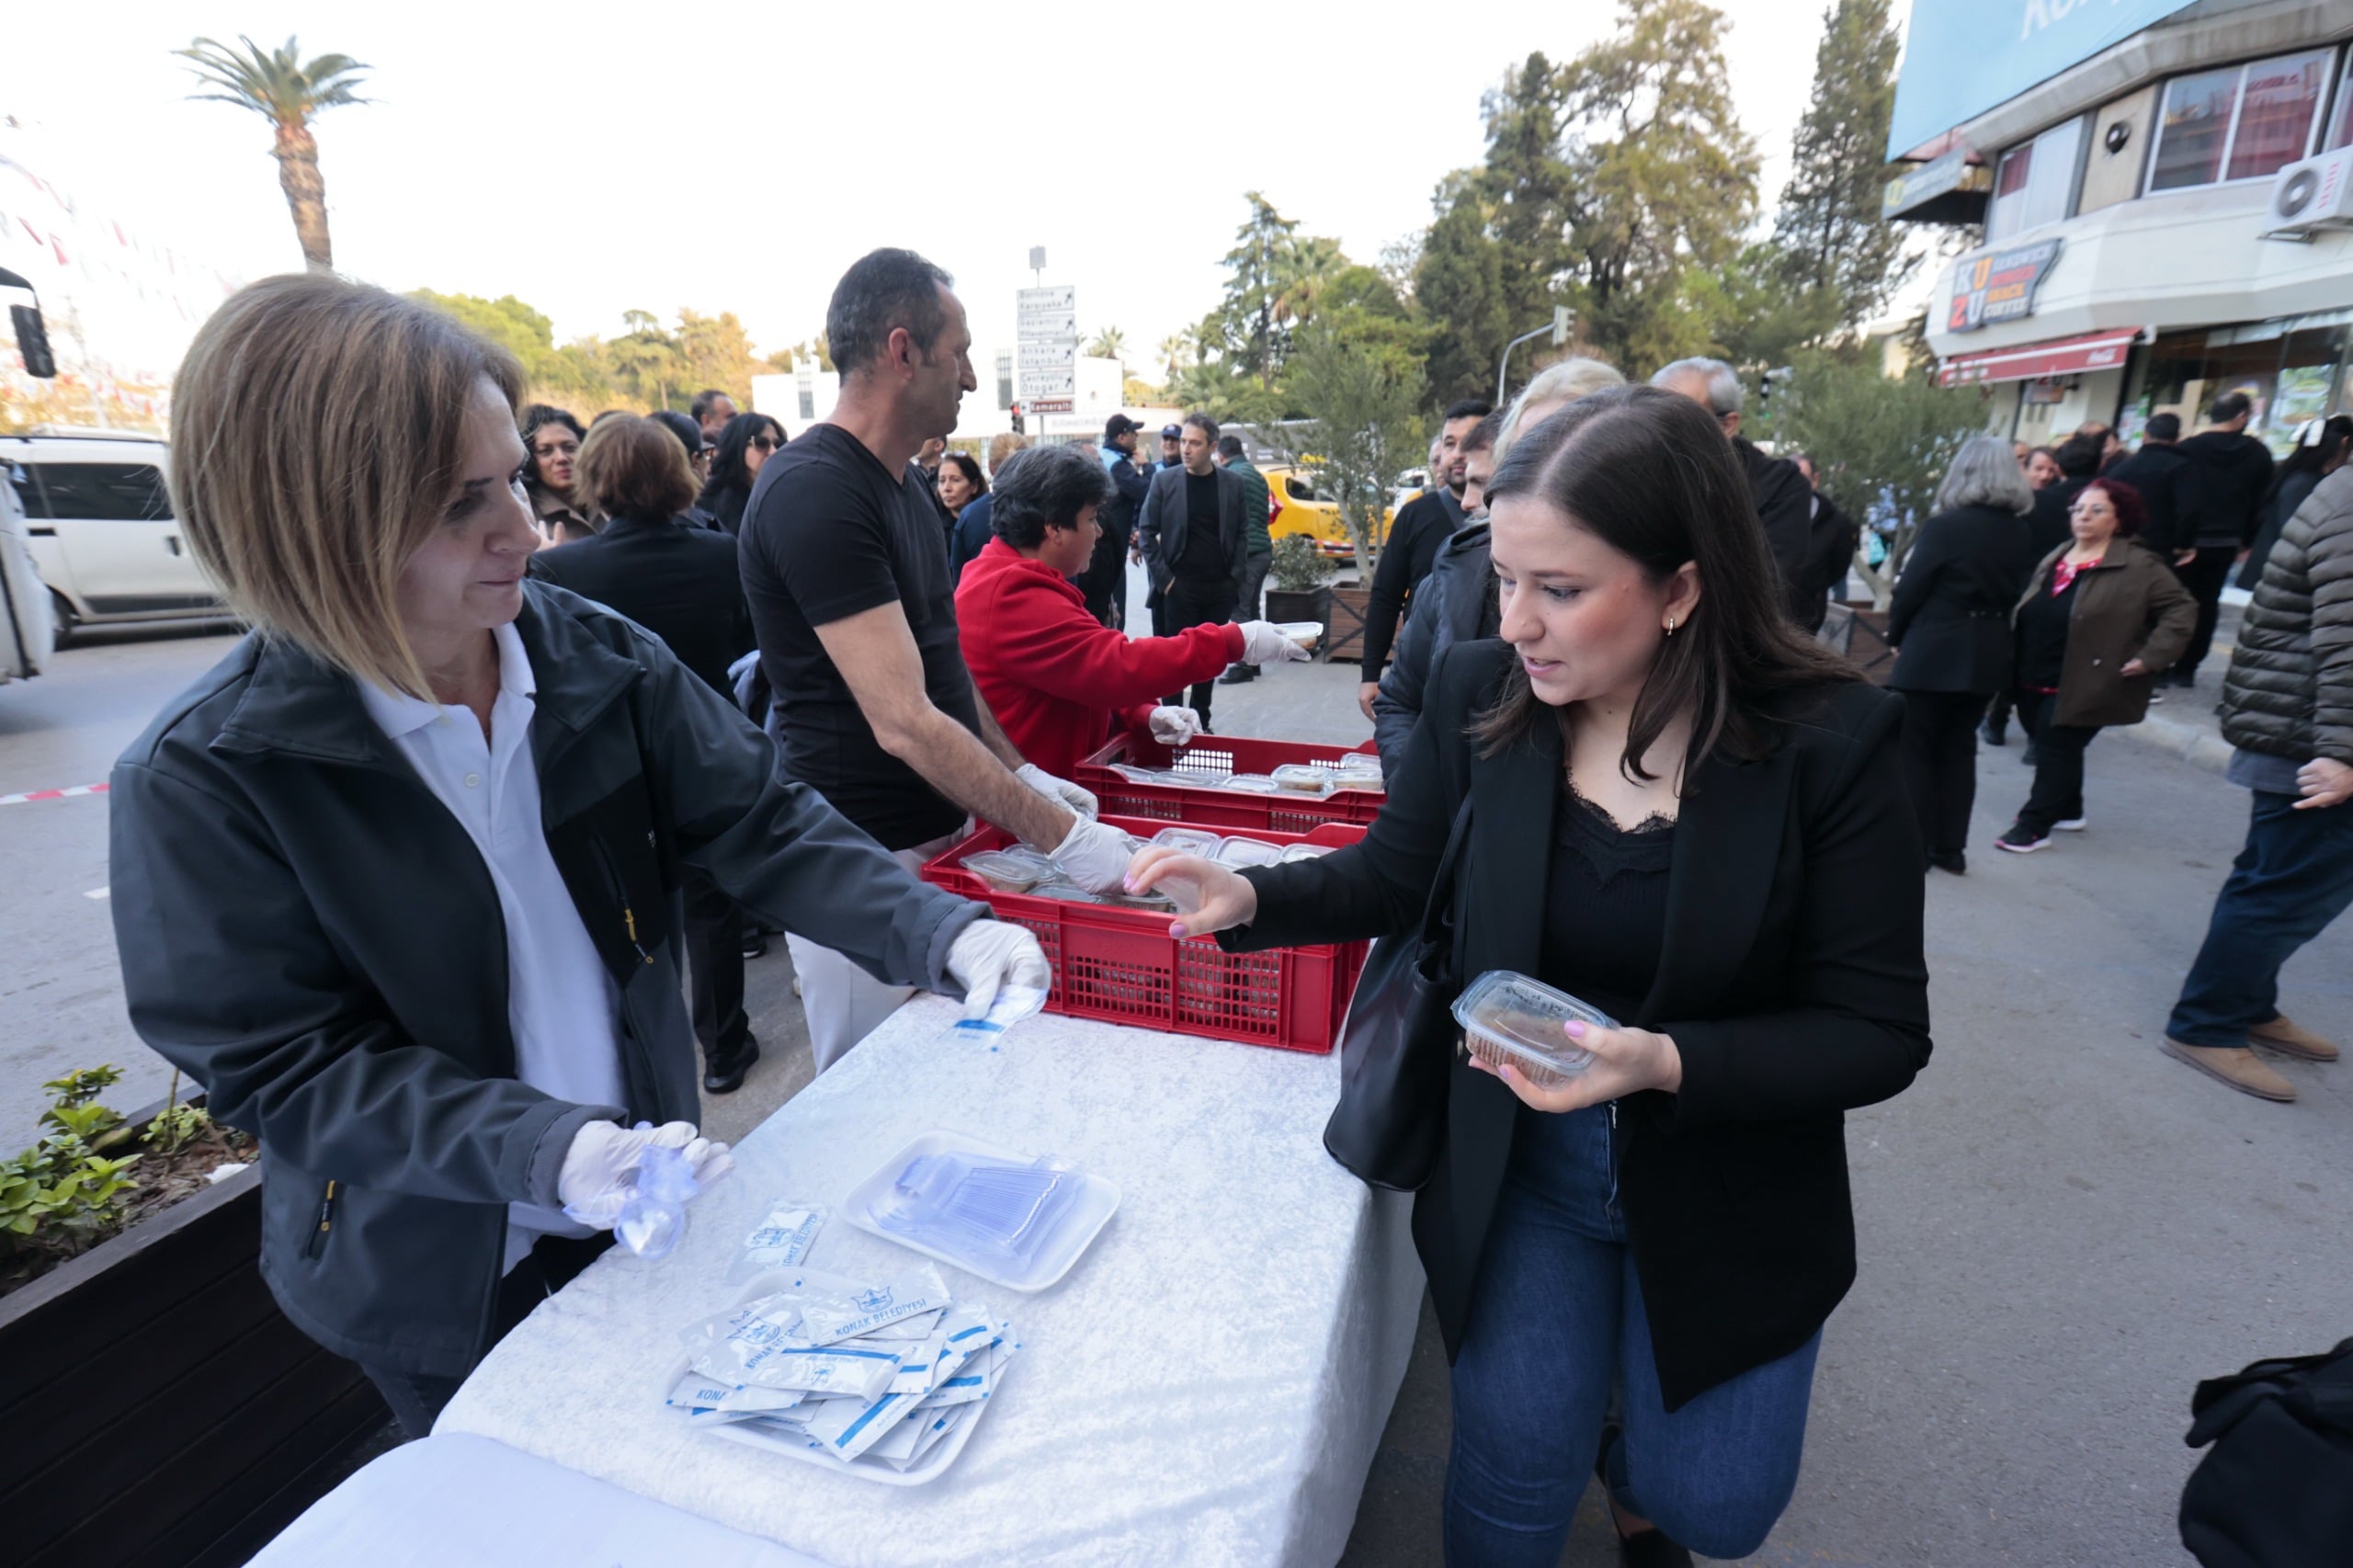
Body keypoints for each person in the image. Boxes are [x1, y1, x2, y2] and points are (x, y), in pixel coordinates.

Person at [109, 275, 1046, 1439]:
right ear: (315, 526)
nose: (523, 528)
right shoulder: (211, 772)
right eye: (462, 504)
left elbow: (760, 819)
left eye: (513, 476)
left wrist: (941, 928)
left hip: (639, 1196)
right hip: (434, 1262)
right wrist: (549, 1150)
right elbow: (288, 1067)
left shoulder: (593, 656)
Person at [1130, 383, 1929, 1567]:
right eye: (1506, 578)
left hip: (1728, 1175)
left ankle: (1638, 1463)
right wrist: (1252, 892)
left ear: (1682, 587)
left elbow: (1875, 1030)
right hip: (1523, 1167)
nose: (1517, 623)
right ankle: (1584, 1436)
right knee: (1509, 1474)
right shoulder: (1480, 692)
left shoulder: (1832, 741)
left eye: (1559, 589)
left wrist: (1657, 1061)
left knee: (1714, 1501)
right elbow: (1396, 876)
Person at [736, 248, 1130, 1070]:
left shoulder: (904, 487)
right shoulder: (815, 489)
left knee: (951, 1065)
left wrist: (1020, 774)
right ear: (902, 349)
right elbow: (904, 719)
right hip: (857, 855)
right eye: (961, 354)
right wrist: (1059, 837)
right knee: (873, 1081)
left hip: (933, 839)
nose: (974, 379)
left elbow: (940, 664)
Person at [529, 415, 762, 1092]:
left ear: (597, 477)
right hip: (708, 748)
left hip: (610, 767)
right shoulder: (725, 555)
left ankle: (641, 1067)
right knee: (712, 905)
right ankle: (723, 1049)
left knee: (631, 918)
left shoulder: (559, 569)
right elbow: (746, 648)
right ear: (678, 474)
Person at [2161, 461, 2353, 1103]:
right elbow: (2346, 636)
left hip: (2311, 731)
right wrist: (2340, 751)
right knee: (2283, 892)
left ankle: (2246, 1005)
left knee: (2279, 883)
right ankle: (2207, 1025)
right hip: (2314, 740)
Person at [957, 444, 1308, 775]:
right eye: (1091, 519)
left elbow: (1076, 672)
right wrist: (1232, 641)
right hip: (1032, 812)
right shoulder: (1010, 593)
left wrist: (1142, 713)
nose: (1098, 532)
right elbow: (1113, 664)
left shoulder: (1016, 576)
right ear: (1054, 528)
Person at [1372, 358, 1627, 767]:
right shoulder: (1456, 568)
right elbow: (1401, 702)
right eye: (1524, 456)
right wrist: (1424, 796)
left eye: (1562, 590)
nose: (1514, 627)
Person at [1995, 478, 2195, 854]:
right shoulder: (2059, 555)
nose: (2084, 516)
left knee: (2056, 746)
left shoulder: (2139, 565)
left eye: (2097, 510)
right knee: (2053, 742)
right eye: (2079, 509)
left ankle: (2034, 824)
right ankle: (2070, 809)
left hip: (2090, 677)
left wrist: (2152, 656)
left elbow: (2181, 610)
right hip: (2033, 670)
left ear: (2119, 520)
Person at [1886, 437, 2041, 875]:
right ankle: (1950, 848)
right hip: (1989, 646)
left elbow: (1912, 587)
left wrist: (1897, 634)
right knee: (1958, 749)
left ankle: (1914, 848)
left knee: (1914, 750)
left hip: (1936, 645)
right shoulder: (2020, 529)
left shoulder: (1947, 526)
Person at [1650, 358, 1815, 627]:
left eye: (1679, 418)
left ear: (1727, 425)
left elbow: (1770, 586)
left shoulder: (1781, 487)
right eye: (1652, 414)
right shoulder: (1636, 472)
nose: (1661, 431)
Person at [1357, 398, 1491, 720]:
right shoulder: (1414, 515)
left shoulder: (1518, 513)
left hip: (1495, 684)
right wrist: (1371, 674)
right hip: (1423, 675)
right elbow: (1386, 597)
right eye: (1450, 443)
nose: (1458, 453)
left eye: (1470, 442)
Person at [1138, 412, 1250, 730]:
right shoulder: (1165, 480)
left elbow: (1243, 532)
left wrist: (1235, 577)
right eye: (1184, 441)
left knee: (1209, 657)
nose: (1186, 449)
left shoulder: (1232, 483)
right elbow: (1146, 532)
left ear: (1212, 446)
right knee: (1174, 659)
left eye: (1194, 443)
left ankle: (1202, 719)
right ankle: (1173, 720)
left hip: (1218, 587)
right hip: (1178, 587)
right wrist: (1166, 581)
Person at [2174, 392, 2277, 688]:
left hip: (2187, 541)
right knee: (2207, 605)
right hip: (2226, 542)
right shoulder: (2259, 453)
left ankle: (2161, 663)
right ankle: (2186, 668)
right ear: (2242, 416)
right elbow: (2262, 502)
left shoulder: (2188, 449)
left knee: (2172, 603)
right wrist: (2247, 541)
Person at [1984, 447, 2073, 748]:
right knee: (2010, 658)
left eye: (2051, 469)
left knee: (2030, 658)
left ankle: (2031, 730)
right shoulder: (2012, 505)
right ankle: (1998, 719)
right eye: (2038, 468)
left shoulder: (2060, 504)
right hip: (2014, 591)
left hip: (2046, 592)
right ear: (2025, 468)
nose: (2045, 475)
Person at [2238, 415, 2352, 588]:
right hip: (2278, 581)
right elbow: (2299, 536)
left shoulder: (2300, 477)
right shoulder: (2304, 483)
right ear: (2345, 443)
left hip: (2276, 577)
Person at [1214, 434, 1275, 684]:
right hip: (1263, 551)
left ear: (1220, 455)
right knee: (1251, 607)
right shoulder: (1256, 475)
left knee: (1239, 609)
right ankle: (1254, 660)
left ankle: (1243, 666)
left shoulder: (1231, 476)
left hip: (1247, 553)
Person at [1086, 416, 1152, 628]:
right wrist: (1147, 467)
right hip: (1108, 549)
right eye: (1134, 433)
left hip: (1104, 546)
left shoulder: (1111, 458)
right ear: (1122, 437)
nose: (1137, 437)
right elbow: (1147, 492)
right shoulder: (1117, 464)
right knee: (1112, 615)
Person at [2105, 413, 2193, 564]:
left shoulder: (2122, 468)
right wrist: (2183, 543)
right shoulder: (2183, 467)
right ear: (2178, 437)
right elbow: (2188, 509)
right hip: (2163, 546)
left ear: (2145, 435)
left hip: (2122, 543)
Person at [698, 411, 787, 535]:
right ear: (737, 446)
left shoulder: (788, 494)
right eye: (761, 443)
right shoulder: (707, 502)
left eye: (778, 444)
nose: (773, 451)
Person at [519, 403, 597, 544]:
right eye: (546, 451)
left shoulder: (610, 501)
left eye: (570, 448)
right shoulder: (525, 515)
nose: (561, 458)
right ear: (529, 459)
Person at [938, 451, 989, 580]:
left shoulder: (987, 524)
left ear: (974, 486)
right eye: (942, 481)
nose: (946, 488)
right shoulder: (931, 525)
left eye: (955, 480)